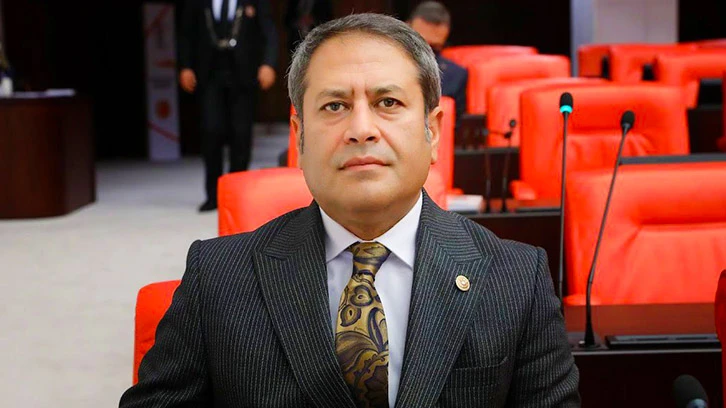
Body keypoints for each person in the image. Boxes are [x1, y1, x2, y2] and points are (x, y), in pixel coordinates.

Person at [120, 13, 579, 407]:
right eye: (335, 105)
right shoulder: (217, 278)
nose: (361, 129)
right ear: (299, 137)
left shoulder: (515, 279)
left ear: (434, 132)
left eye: (388, 103)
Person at [179, 0, 279, 212]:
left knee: (241, 135)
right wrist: (185, 66)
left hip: (243, 75)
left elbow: (269, 31)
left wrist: (268, 64)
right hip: (209, 75)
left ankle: (236, 195)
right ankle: (213, 195)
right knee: (211, 131)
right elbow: (187, 33)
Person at [408, 1, 467, 125]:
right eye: (419, 45)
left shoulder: (455, 77)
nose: (425, 54)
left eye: (434, 48)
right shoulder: (381, 65)